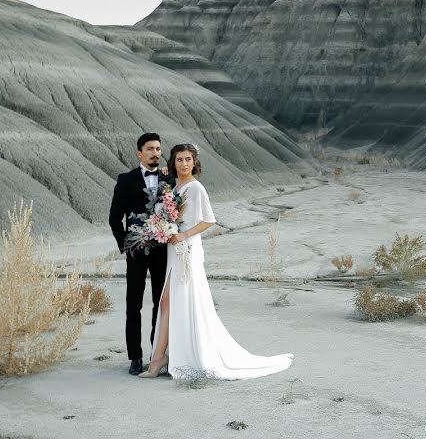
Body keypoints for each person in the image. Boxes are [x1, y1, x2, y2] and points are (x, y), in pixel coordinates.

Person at [139, 143, 293, 380]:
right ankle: (162, 357)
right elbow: (166, 212)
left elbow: (209, 221)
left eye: (188, 159)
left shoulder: (196, 188)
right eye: (179, 159)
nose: (184, 163)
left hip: (187, 248)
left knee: (177, 300)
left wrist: (182, 234)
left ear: (194, 162)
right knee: (169, 302)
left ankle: (165, 358)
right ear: (173, 162)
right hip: (174, 249)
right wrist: (162, 228)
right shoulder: (173, 186)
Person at [108, 132, 172, 375]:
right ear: (139, 153)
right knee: (133, 305)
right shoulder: (126, 180)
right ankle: (135, 356)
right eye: (150, 149)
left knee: (161, 303)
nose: (155, 153)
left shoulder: (169, 179)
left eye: (158, 148)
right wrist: (126, 245)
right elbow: (114, 218)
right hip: (135, 252)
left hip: (162, 251)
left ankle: (158, 352)